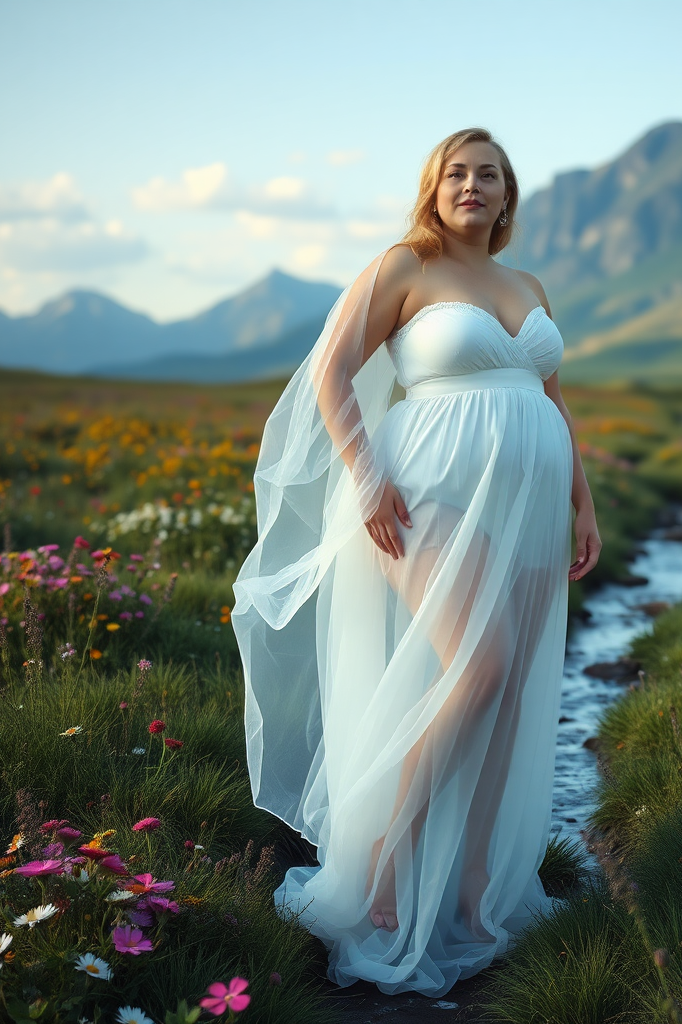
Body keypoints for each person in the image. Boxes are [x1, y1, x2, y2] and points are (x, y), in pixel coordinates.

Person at [231, 126, 601, 997]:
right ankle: (389, 858)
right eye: (457, 174)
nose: (473, 186)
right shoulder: (406, 266)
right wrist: (364, 475)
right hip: (429, 491)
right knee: (481, 667)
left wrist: (585, 502)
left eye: (490, 175)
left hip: (532, 503)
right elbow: (331, 372)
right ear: (434, 189)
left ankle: (476, 886)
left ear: (509, 196)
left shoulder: (526, 284)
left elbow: (551, 399)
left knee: (508, 695)